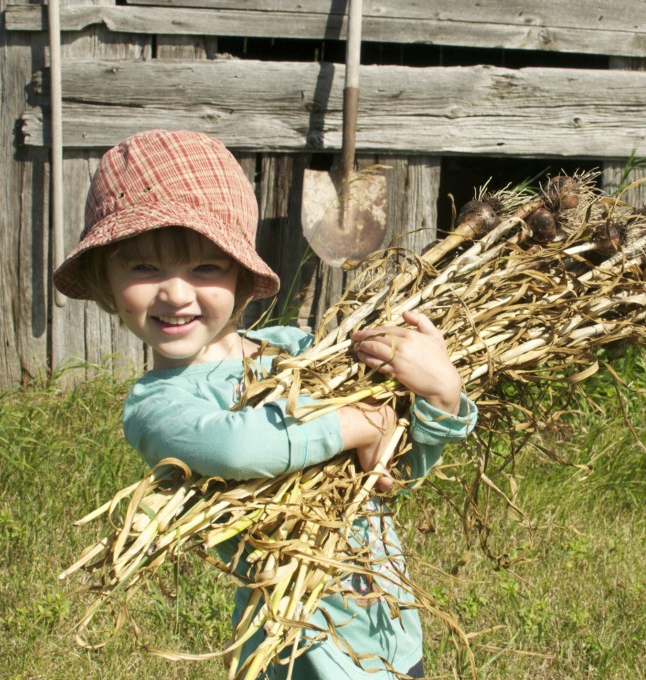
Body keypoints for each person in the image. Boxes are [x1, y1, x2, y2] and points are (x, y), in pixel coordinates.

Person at [52, 129, 477, 679]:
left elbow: (391, 475)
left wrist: (442, 394)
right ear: (106, 280)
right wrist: (357, 421)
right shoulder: (159, 408)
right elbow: (240, 446)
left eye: (205, 267)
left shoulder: (298, 348)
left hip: (391, 633)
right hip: (306, 649)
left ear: (240, 276)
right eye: (144, 267)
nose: (176, 294)